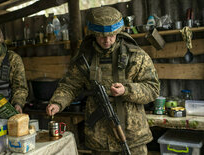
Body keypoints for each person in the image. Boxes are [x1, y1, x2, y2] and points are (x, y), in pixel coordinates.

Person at [46, 6, 160, 155]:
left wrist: (126, 90)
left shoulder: (136, 56)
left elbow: (153, 89)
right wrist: (57, 102)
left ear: (118, 32)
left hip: (132, 137)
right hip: (100, 139)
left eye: (111, 35)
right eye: (101, 36)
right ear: (93, 34)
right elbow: (70, 85)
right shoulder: (85, 58)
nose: (107, 40)